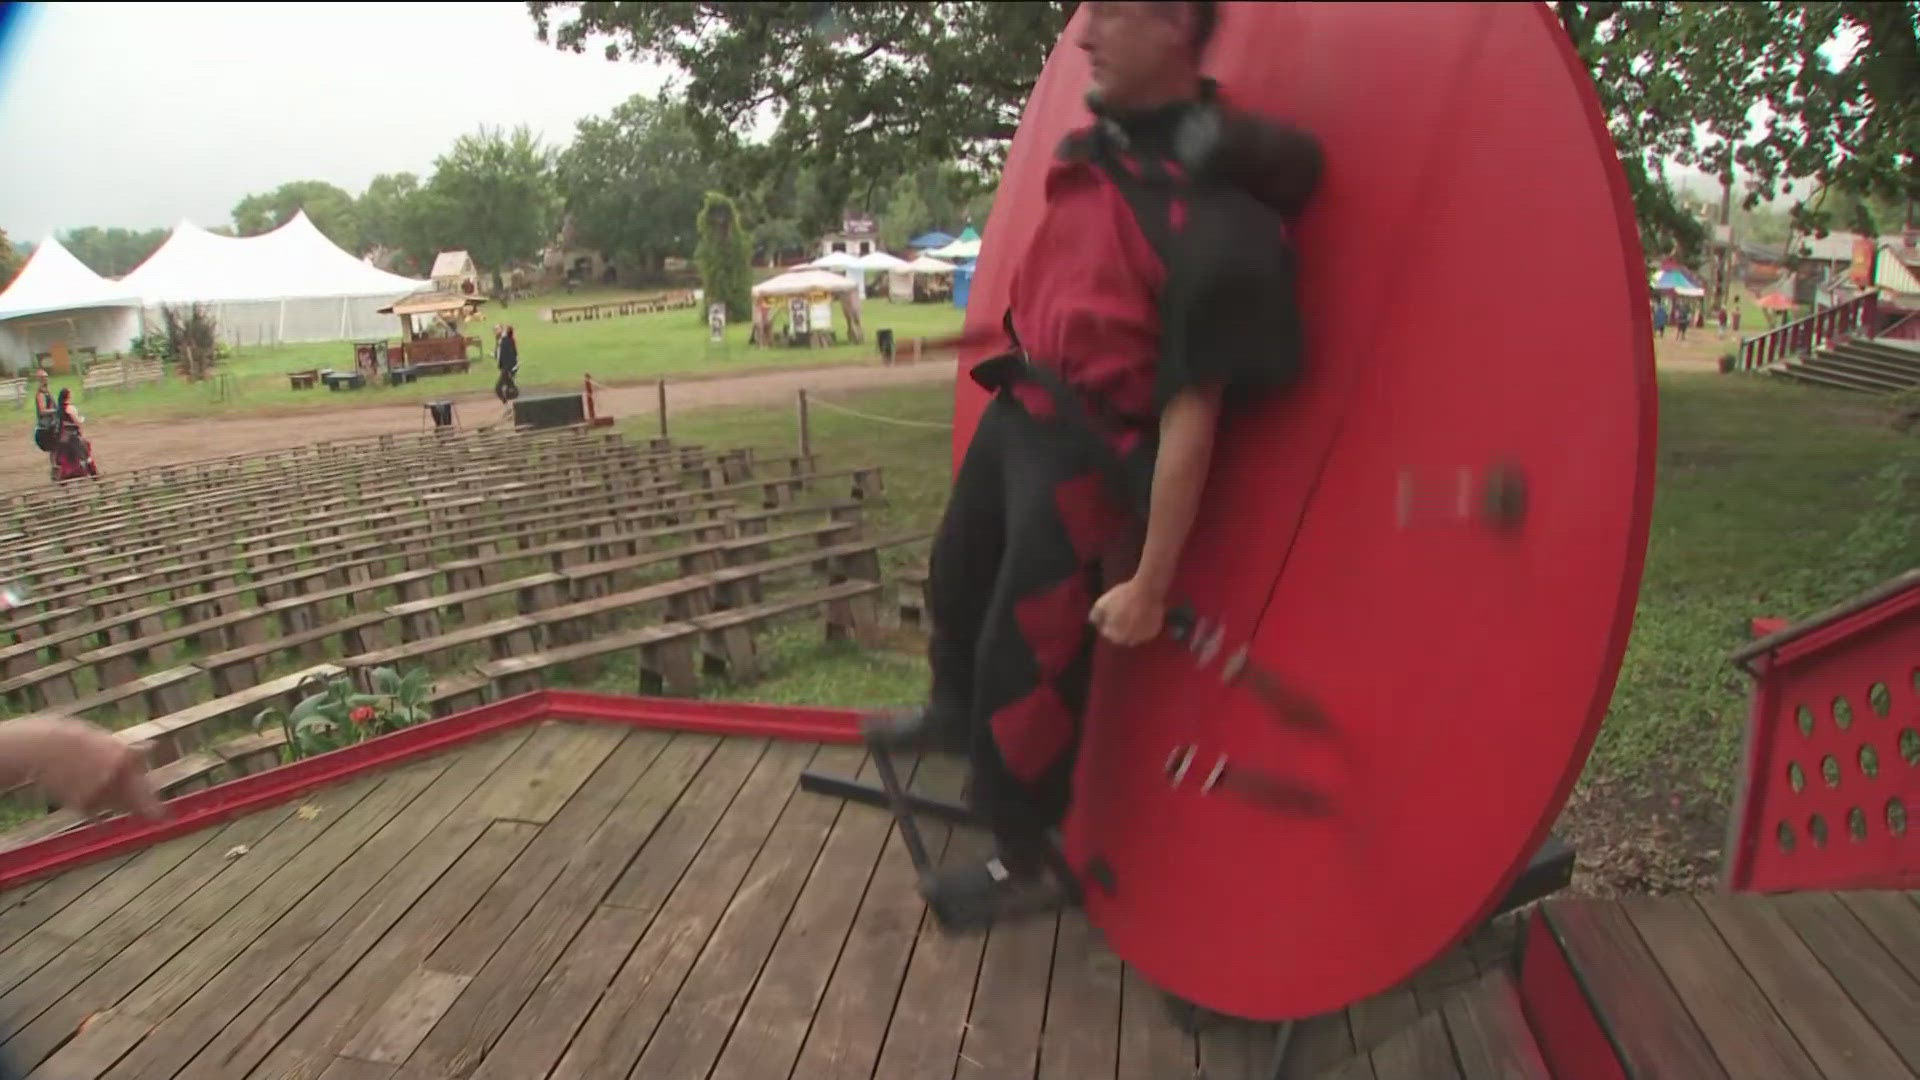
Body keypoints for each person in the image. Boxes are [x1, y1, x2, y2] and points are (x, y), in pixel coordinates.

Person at [867, 0, 1321, 930]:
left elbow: (1195, 407)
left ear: (1173, 27)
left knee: (1025, 647)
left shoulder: (1215, 220)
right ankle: (954, 716)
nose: (1083, 33)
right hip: (1021, 407)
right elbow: (1065, 295)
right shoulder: (1101, 159)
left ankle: (1019, 857)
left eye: (1111, 11)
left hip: (1089, 448)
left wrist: (1151, 582)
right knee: (954, 577)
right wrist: (956, 341)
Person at [49, 389, 97, 481]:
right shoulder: (70, 408)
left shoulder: (58, 410)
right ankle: (94, 475)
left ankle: (61, 477)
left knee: (63, 458)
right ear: (68, 397)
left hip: (62, 439)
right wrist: (82, 420)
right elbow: (78, 422)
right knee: (85, 454)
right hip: (72, 437)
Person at [494, 325, 520, 402]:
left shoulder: (505, 340)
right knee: (508, 386)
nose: (495, 332)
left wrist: (507, 368)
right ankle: (509, 401)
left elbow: (510, 354)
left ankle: (507, 402)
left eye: (497, 329)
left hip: (507, 368)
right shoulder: (502, 340)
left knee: (499, 388)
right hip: (507, 367)